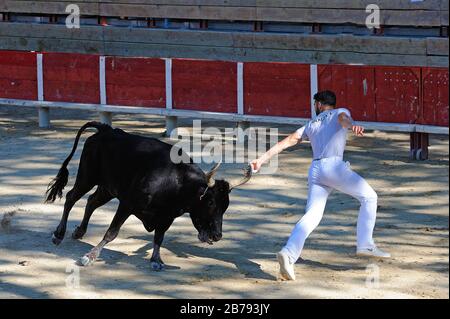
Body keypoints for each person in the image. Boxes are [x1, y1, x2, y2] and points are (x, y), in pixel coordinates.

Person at [250, 90, 390, 281]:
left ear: (319, 104)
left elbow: (288, 141)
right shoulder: (340, 111)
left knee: (312, 215)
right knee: (370, 197)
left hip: (315, 169)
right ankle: (365, 243)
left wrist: (261, 159)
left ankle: (289, 253)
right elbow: (343, 119)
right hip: (334, 167)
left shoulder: (311, 123)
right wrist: (353, 125)